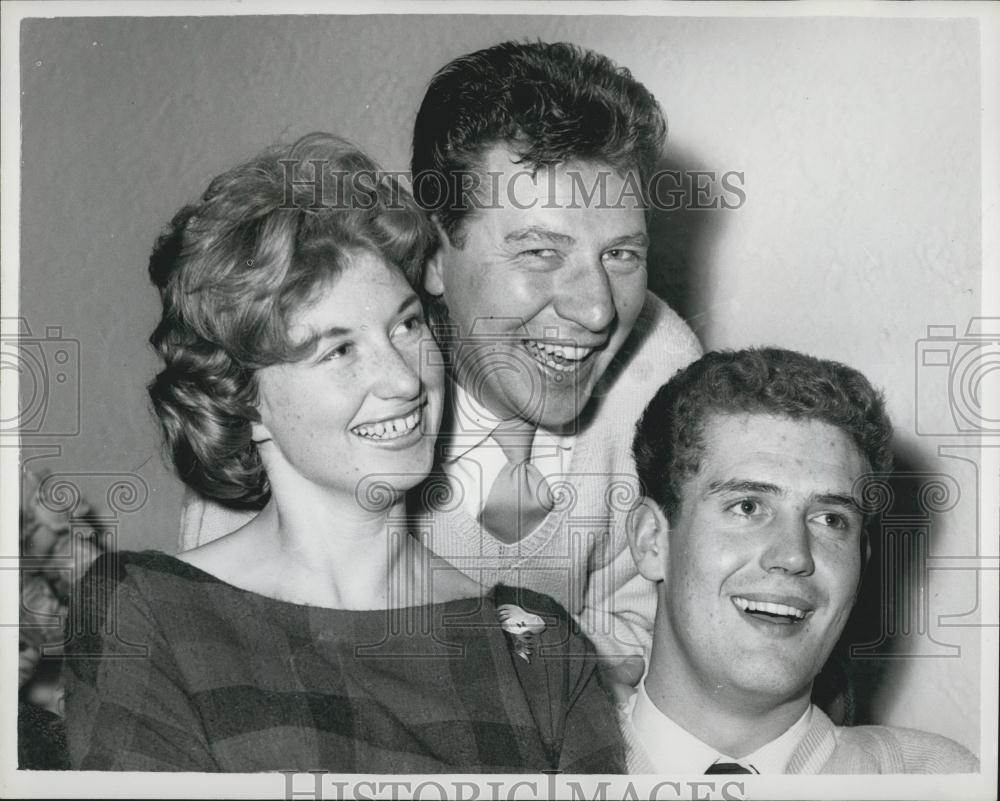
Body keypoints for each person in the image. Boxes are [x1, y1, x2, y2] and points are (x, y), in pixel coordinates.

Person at [62, 133, 624, 773]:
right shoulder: (151, 615)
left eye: (406, 325)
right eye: (339, 350)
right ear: (242, 400)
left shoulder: (537, 647)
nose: (405, 380)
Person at [181, 41, 702, 678]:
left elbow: (659, 640)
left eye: (620, 255)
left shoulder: (662, 367)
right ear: (432, 254)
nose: (597, 311)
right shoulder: (312, 393)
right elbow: (224, 652)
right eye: (539, 252)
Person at [623, 347, 979, 774]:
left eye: (830, 519)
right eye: (749, 507)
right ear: (651, 542)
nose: (794, 555)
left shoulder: (937, 779)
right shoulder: (543, 768)